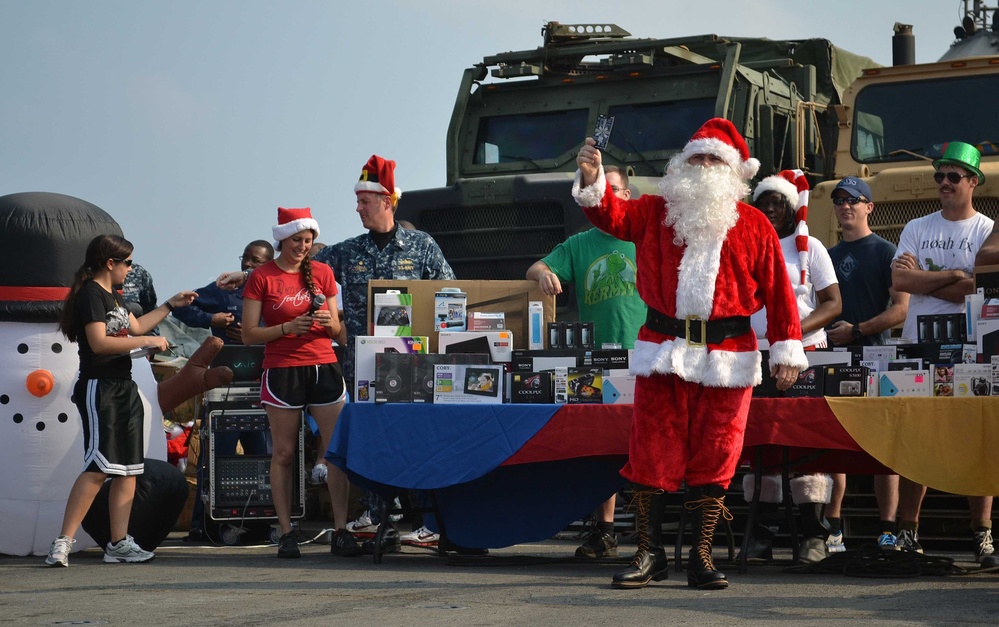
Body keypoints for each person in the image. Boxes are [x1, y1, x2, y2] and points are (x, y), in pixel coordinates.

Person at [573, 118, 807, 590]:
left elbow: (781, 292)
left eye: (714, 159)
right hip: (663, 350)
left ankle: (700, 557)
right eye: (696, 157)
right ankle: (648, 554)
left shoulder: (755, 225)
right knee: (651, 452)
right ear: (682, 163)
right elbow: (610, 215)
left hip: (729, 356)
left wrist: (786, 347)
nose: (703, 166)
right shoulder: (656, 211)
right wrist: (592, 178)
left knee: (717, 455)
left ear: (733, 171)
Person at [45, 234, 196, 567]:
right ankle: (63, 542)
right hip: (101, 387)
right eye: (127, 262)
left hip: (123, 387)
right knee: (99, 468)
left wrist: (170, 305)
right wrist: (148, 340)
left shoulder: (114, 297)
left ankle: (119, 544)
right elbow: (99, 343)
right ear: (110, 263)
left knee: (128, 470)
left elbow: (137, 325)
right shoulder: (90, 295)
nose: (131, 268)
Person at [527, 165, 646, 560]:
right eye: (598, 189)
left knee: (647, 444)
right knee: (602, 447)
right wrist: (544, 275)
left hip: (646, 357)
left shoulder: (646, 237)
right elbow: (536, 267)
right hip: (597, 360)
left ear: (627, 197)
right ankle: (606, 531)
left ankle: (649, 536)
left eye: (613, 190)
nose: (606, 196)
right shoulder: (580, 244)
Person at [891, 141, 995, 562]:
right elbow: (902, 282)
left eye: (953, 176)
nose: (944, 183)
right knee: (918, 436)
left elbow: (982, 285)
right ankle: (907, 531)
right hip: (920, 345)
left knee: (977, 438)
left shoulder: (987, 230)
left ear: (973, 181)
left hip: (974, 345)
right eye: (939, 175)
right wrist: (955, 273)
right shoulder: (916, 225)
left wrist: (928, 277)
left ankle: (982, 532)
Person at [240, 207, 360, 559]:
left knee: (336, 451)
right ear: (282, 239)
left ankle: (341, 529)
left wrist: (330, 323)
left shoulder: (322, 272)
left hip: (324, 365)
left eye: (308, 241)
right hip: (282, 370)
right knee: (284, 452)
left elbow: (341, 335)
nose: (303, 247)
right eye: (297, 240)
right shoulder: (262, 276)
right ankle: (287, 532)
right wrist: (286, 329)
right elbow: (248, 334)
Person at [743, 170, 842, 564]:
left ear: (790, 209)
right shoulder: (744, 245)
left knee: (805, 443)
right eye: (763, 201)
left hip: (805, 354)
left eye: (777, 203)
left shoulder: (811, 247)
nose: (769, 208)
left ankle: (813, 536)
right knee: (761, 445)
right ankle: (760, 536)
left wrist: (790, 329)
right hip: (755, 356)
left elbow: (833, 304)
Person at [824, 176, 910, 551]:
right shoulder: (825, 255)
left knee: (883, 449)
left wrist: (857, 331)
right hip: (832, 359)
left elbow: (901, 309)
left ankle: (888, 528)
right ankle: (833, 527)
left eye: (854, 200)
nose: (846, 206)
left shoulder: (885, 251)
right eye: (839, 200)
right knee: (835, 445)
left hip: (876, 359)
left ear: (869, 207)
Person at [172, 240, 274, 344]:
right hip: (229, 358)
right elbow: (179, 307)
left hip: (272, 357)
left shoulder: (281, 292)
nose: (247, 263)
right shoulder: (224, 288)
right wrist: (210, 319)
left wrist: (256, 336)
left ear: (270, 264)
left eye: (255, 260)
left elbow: (288, 328)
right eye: (245, 258)